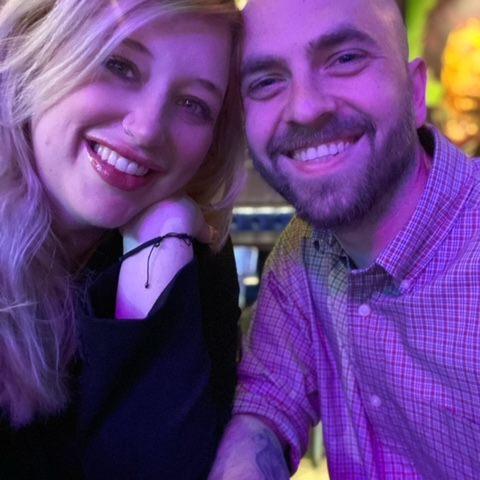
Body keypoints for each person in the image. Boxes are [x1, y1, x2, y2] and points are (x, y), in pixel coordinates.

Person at [209, 0, 480, 478]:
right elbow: (268, 403)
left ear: (416, 92)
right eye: (266, 81)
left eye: (346, 59)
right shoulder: (304, 250)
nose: (306, 108)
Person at [0, 0, 244, 478]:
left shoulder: (191, 254)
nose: (147, 129)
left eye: (193, 104)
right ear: (37, 47)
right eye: (118, 65)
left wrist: (155, 255)